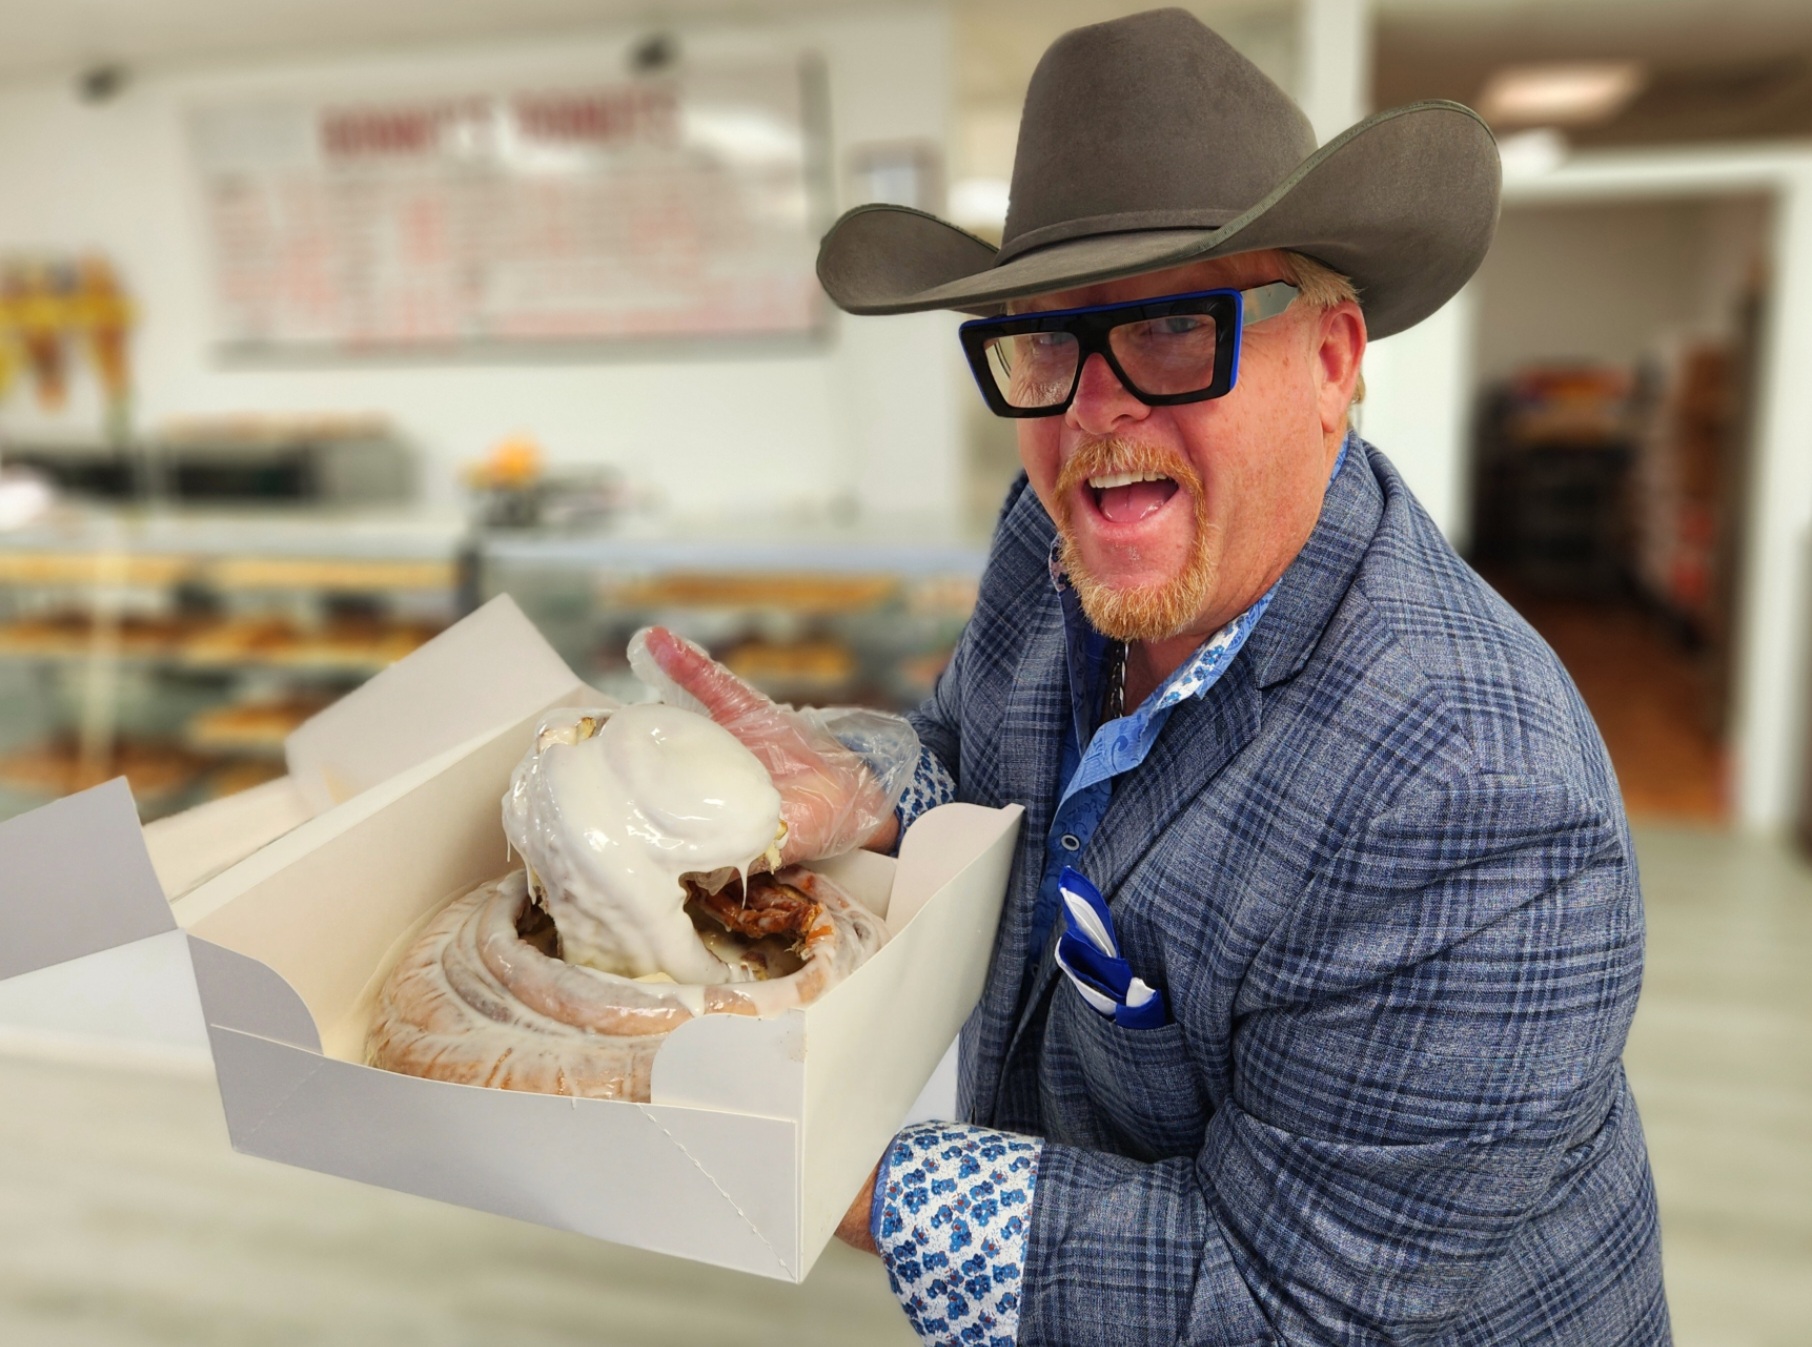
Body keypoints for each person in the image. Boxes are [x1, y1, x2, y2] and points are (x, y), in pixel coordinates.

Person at [645, 9, 1669, 1344]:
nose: (1094, 415)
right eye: (1048, 342)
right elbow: (980, 754)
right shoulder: (1055, 534)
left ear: (1334, 362)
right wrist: (868, 784)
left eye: (1178, 325)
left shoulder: (1476, 801)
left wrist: (832, 1159)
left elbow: (1286, 1302)